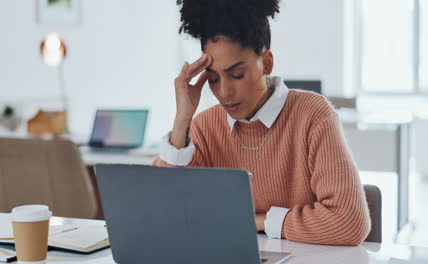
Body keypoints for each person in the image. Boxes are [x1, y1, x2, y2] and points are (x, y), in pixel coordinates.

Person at [153, 0, 370, 246]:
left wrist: (257, 221)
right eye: (213, 79)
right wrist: (182, 119)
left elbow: (348, 222)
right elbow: (166, 212)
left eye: (237, 75)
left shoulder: (313, 115)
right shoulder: (204, 126)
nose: (224, 92)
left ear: (266, 63)